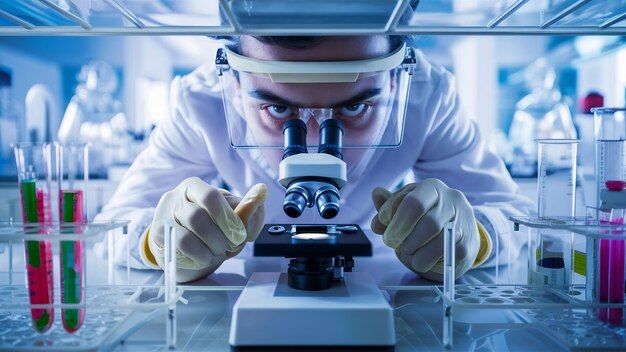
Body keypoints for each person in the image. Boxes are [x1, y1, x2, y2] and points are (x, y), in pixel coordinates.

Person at [96, 35, 535, 283]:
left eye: (355, 107)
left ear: (399, 84)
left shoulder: (429, 96)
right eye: (278, 109)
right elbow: (110, 228)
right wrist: (160, 241)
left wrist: (474, 236)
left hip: (378, 278)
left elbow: (522, 220)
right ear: (232, 86)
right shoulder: (201, 103)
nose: (311, 146)